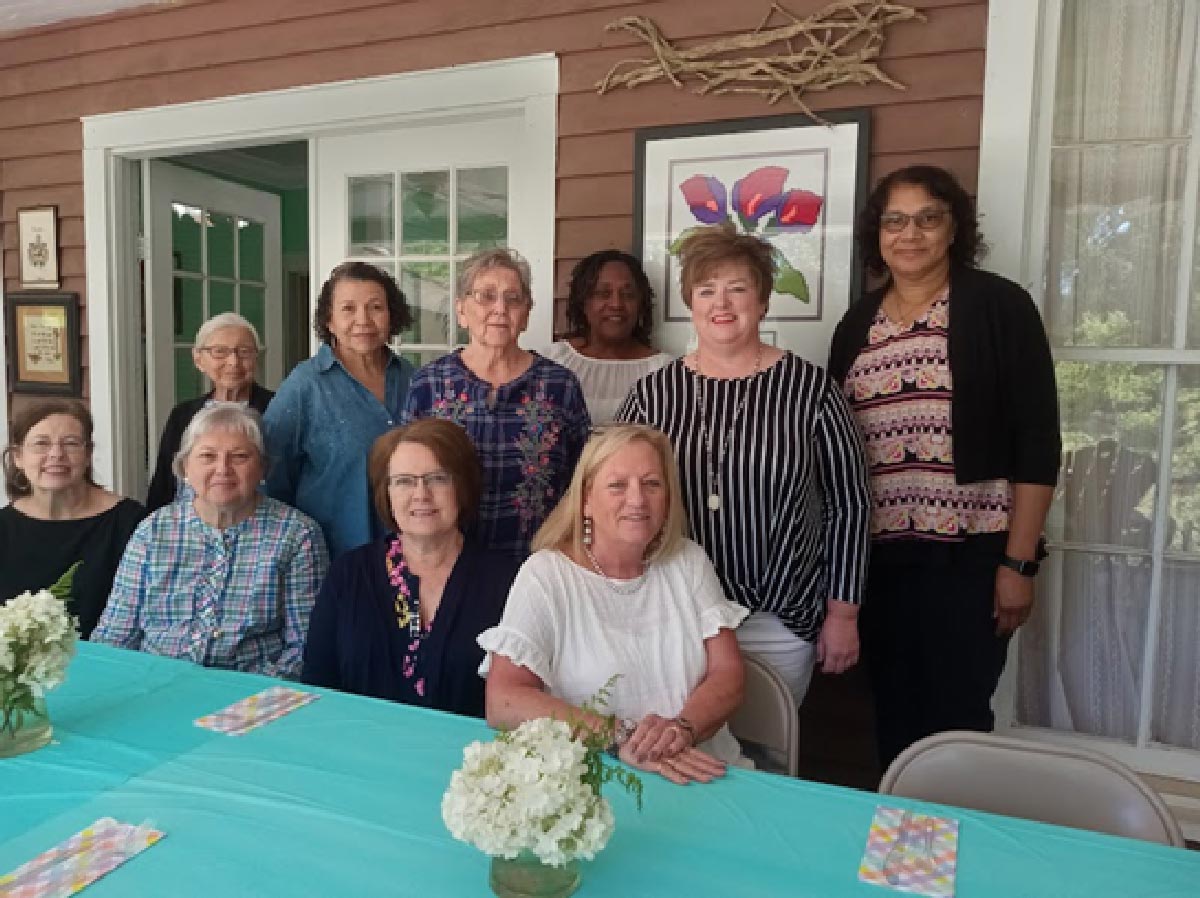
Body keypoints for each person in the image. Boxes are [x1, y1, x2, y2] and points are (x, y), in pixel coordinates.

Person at [828, 164, 1060, 768]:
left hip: (971, 558)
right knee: (894, 717)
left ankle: (953, 830)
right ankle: (900, 832)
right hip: (881, 563)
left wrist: (1018, 562)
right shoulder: (857, 324)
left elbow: (1038, 441)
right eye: (895, 221)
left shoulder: (999, 306)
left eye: (928, 218)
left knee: (957, 724)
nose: (911, 234)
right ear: (877, 234)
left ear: (954, 228)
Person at [616, 224, 872, 707]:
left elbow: (849, 504)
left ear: (763, 300)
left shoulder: (812, 390)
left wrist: (843, 613)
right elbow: (618, 499)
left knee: (769, 745)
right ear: (690, 302)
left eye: (737, 288)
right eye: (706, 290)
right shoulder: (653, 395)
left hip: (781, 617)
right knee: (682, 742)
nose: (722, 303)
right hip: (675, 614)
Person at [481, 424, 746, 784]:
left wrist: (682, 729)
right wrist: (620, 736)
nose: (637, 500)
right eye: (617, 485)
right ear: (586, 500)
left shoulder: (688, 561)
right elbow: (504, 700)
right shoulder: (546, 575)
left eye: (652, 484)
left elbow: (728, 674)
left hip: (703, 769)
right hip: (597, 780)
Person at [303, 419, 521, 717]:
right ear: (386, 493)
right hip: (357, 742)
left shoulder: (508, 580)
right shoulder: (348, 574)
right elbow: (316, 685)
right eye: (404, 481)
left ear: (462, 487)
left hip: (469, 747)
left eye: (438, 479)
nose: (421, 494)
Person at [93, 404, 328, 678]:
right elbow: (116, 634)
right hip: (155, 683)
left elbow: (304, 648)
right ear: (184, 467)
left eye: (239, 457)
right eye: (207, 456)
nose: (222, 469)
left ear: (263, 468)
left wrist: (254, 695)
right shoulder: (153, 531)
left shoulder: (297, 534)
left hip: (252, 691)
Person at [402, 248, 590, 557]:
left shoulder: (560, 385)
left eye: (513, 298)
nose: (500, 308)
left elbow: (582, 480)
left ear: (526, 313)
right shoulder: (429, 384)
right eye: (486, 296)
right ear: (461, 310)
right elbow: (406, 478)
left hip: (535, 562)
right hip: (448, 563)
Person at [264, 262, 415, 559]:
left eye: (375, 307)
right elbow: (272, 475)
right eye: (348, 308)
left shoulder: (412, 379)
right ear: (329, 320)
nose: (363, 320)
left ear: (391, 316)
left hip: (409, 551)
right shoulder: (305, 385)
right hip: (330, 554)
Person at [0, 400, 144, 639]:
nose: (56, 454)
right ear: (18, 457)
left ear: (88, 455)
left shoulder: (131, 523)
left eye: (70, 443)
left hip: (108, 657)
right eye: (41, 444)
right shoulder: (3, 528)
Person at [146, 312, 273, 513]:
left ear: (256, 358)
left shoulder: (276, 409)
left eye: (244, 352)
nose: (233, 361)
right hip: (186, 524)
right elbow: (163, 486)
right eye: (220, 352)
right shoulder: (183, 415)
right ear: (199, 359)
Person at [543, 251, 672, 424]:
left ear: (641, 304)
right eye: (603, 293)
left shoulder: (664, 371)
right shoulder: (552, 362)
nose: (616, 304)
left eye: (628, 295)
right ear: (583, 302)